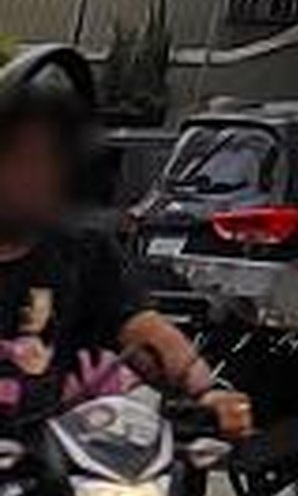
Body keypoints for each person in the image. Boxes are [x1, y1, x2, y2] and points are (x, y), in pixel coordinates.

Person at [0, 49, 251, 458]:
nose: (37, 173)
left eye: (49, 159)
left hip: (47, 469)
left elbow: (141, 327)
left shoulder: (80, 249)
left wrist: (206, 391)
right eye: (20, 157)